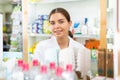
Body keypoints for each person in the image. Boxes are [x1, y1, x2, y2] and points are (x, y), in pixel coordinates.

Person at [33, 7, 91, 79]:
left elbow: (86, 75)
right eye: (52, 23)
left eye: (61, 22)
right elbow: (35, 73)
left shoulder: (79, 48)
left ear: (69, 23)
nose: (56, 26)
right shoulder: (42, 46)